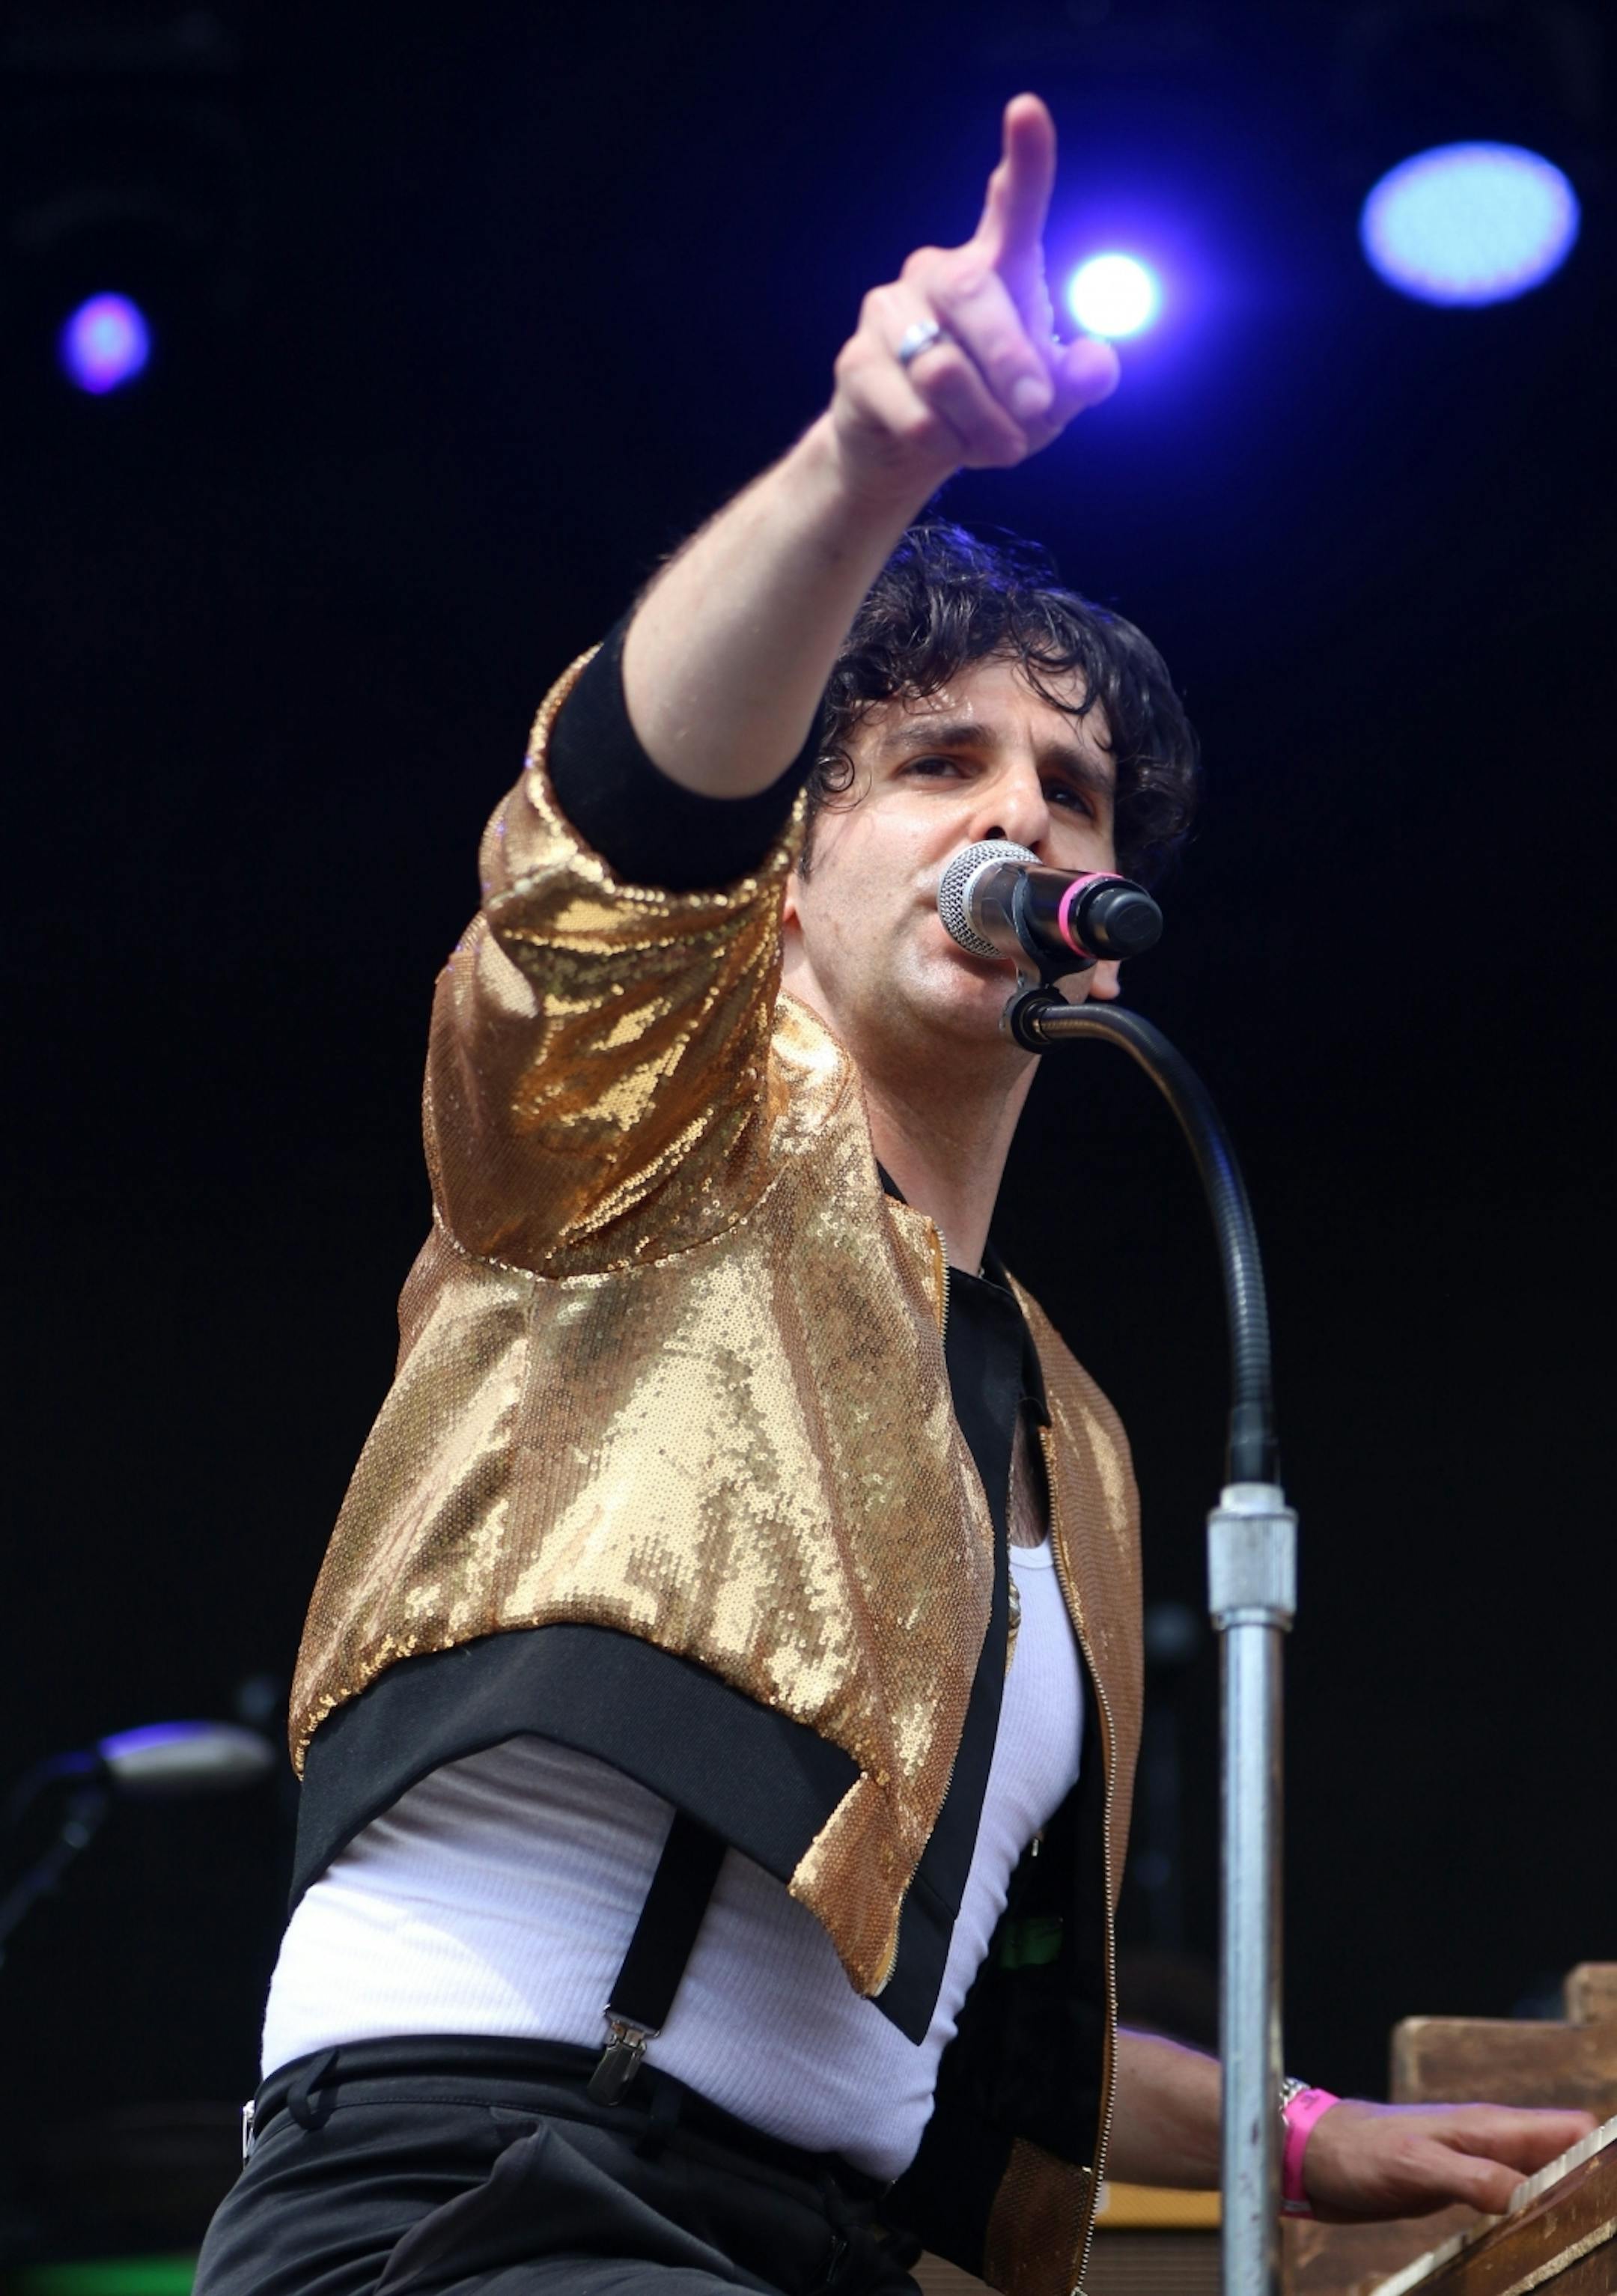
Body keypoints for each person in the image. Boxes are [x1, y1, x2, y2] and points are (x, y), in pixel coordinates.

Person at [195, 92, 1592, 2296]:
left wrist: (1302, 2128)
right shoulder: (648, 1136)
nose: (1023, 809)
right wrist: (874, 461)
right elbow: (611, 847)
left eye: (1071, 781)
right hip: (493, 2196)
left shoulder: (1069, 1436)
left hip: (802, 2245)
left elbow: (925, 1990)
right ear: (782, 882)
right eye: (940, 759)